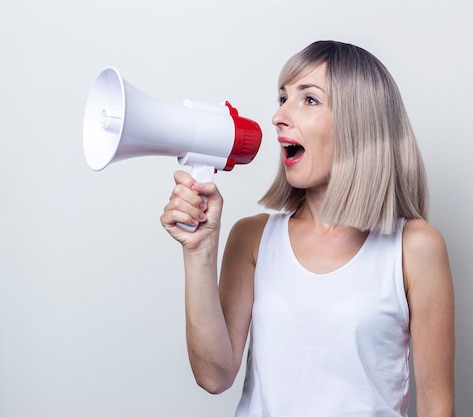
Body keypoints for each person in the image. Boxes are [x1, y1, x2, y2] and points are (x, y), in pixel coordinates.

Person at [161, 40, 455, 417]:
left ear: (359, 124)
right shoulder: (253, 238)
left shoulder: (414, 248)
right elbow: (214, 376)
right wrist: (198, 251)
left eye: (309, 100)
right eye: (282, 98)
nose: (279, 116)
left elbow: (436, 407)